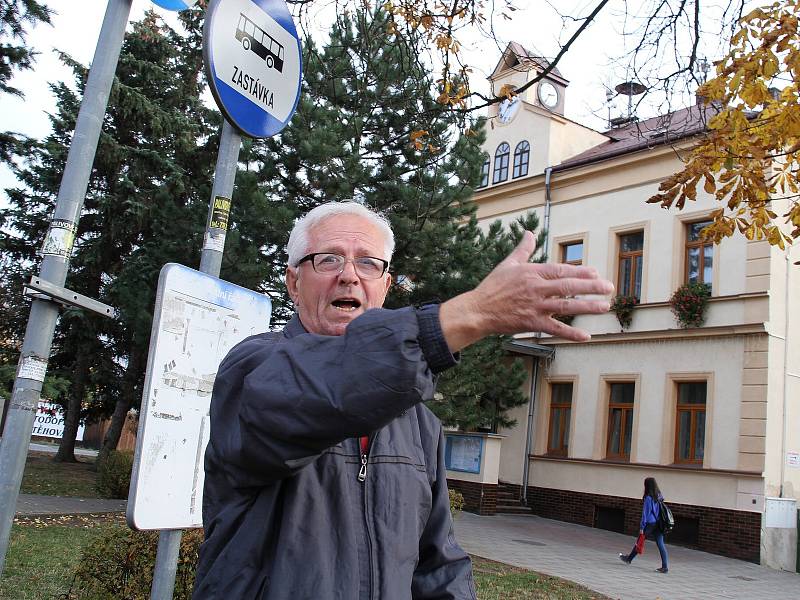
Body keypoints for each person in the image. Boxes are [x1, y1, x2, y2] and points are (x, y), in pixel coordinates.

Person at [193, 201, 614, 599]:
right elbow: (331, 388)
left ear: (385, 286)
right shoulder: (253, 368)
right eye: (328, 259)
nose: (349, 275)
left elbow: (438, 564)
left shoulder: (419, 424)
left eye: (368, 263)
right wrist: (470, 314)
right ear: (292, 281)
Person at [619, 477, 670, 573]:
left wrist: (642, 527)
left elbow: (645, 514)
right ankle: (665, 567)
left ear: (647, 486)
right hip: (659, 523)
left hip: (650, 523)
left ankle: (629, 559)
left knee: (640, 541)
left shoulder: (648, 498)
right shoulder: (659, 495)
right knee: (661, 544)